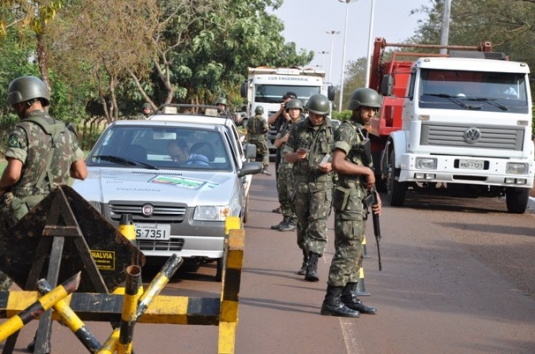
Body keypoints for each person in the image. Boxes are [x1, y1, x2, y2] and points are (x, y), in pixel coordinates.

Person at [0, 75, 87, 326]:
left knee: (5, 265)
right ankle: (43, 336)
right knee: (48, 276)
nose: (15, 109)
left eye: (16, 105)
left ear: (23, 102)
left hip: (19, 213)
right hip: (54, 213)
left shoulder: (22, 130)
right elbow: (81, 172)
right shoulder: (66, 131)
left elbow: (13, 174)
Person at [320, 87, 382, 318]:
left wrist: (373, 195)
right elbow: (338, 162)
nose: (371, 114)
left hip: (359, 200)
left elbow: (364, 172)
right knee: (347, 250)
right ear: (356, 108)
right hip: (349, 201)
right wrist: (365, 170)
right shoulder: (347, 131)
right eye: (367, 109)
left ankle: (348, 296)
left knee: (356, 251)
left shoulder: (360, 132)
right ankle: (331, 300)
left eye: (374, 110)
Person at [282, 94, 335, 281]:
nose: (316, 118)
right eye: (313, 114)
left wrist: (332, 166)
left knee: (318, 224)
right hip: (301, 186)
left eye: (320, 115)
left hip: (322, 185)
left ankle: (313, 264)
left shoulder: (333, 130)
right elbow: (286, 156)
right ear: (308, 112)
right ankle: (306, 257)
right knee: (303, 226)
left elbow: (344, 158)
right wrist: (297, 156)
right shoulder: (298, 129)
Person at [270, 99, 305, 233]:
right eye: (291, 109)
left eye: (296, 109)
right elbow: (275, 143)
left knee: (293, 195)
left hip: (295, 167)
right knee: (283, 194)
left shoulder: (304, 126)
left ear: (301, 111)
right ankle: (286, 219)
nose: (294, 111)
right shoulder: (286, 125)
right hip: (283, 166)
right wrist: (283, 139)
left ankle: (294, 221)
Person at [268, 92, 297, 214]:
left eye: (292, 105)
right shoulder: (282, 115)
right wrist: (281, 111)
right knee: (280, 178)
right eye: (287, 103)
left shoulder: (295, 118)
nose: (291, 108)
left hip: (292, 152)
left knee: (291, 183)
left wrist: (288, 114)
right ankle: (283, 206)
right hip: (281, 148)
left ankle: (291, 212)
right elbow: (270, 121)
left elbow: (293, 123)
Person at [247, 106, 271, 175]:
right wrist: (264, 132)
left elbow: (247, 129)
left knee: (252, 152)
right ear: (262, 112)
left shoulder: (250, 119)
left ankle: (252, 168)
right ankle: (265, 168)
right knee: (265, 152)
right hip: (260, 138)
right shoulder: (262, 119)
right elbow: (266, 128)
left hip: (251, 138)